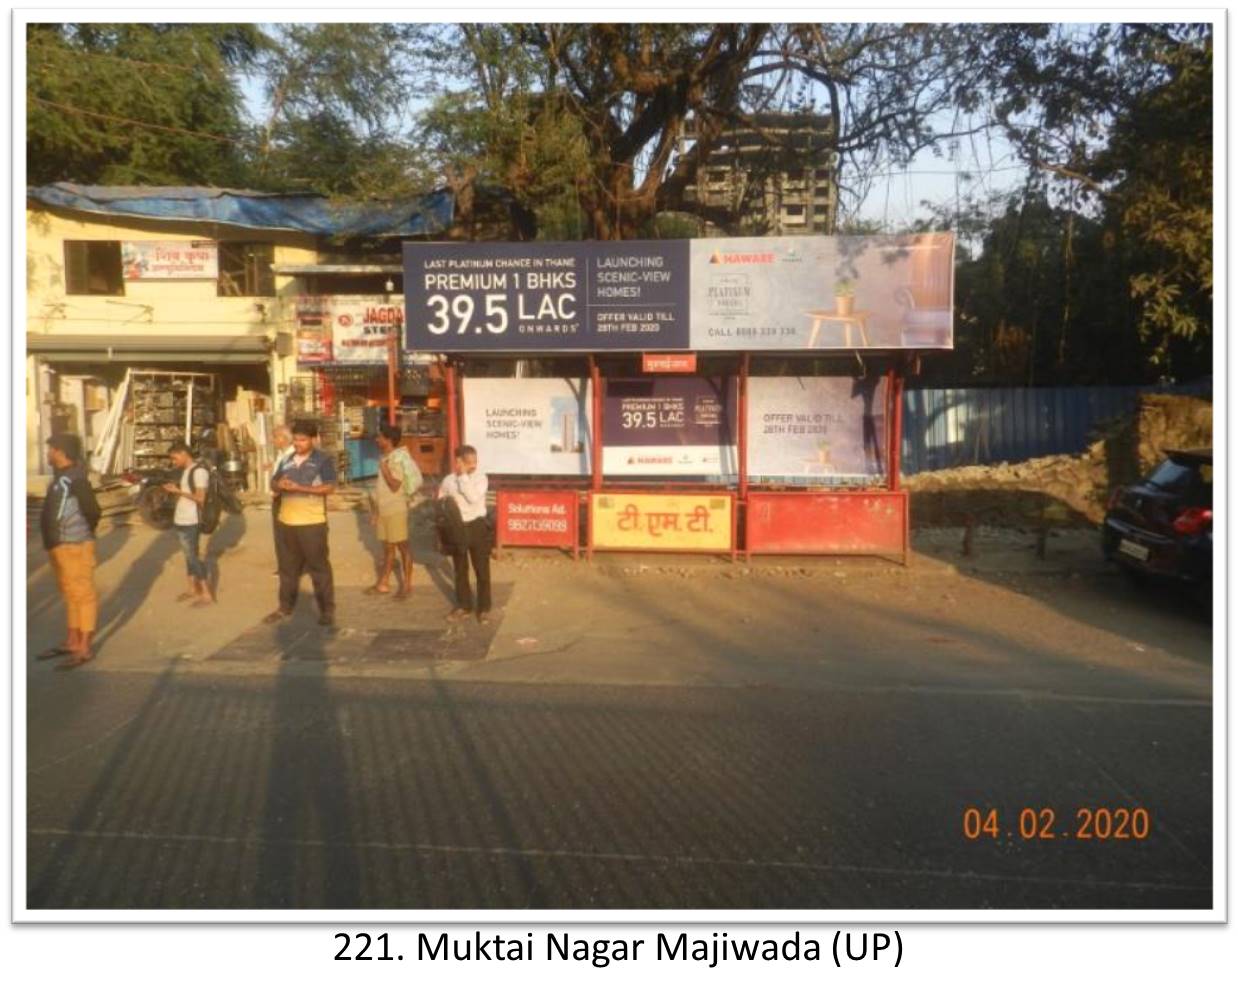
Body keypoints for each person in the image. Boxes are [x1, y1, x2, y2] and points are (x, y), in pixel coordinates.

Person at [265, 420, 337, 627]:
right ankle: (284, 607)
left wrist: (300, 488)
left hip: (312, 523)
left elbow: (329, 487)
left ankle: (327, 610)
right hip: (287, 522)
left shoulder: (322, 460)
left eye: (303, 440)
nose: (298, 443)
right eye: (295, 439)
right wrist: (279, 485)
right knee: (287, 569)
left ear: (313, 440)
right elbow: (274, 482)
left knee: (319, 568)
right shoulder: (287, 459)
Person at [38, 433, 101, 666]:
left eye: (50, 449)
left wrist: (82, 534)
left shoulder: (76, 479)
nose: (47, 453)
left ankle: (84, 647)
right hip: (58, 546)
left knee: (83, 594)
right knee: (69, 593)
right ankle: (72, 640)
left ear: (60, 452)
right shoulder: (60, 478)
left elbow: (93, 511)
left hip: (75, 545)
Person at [366, 423, 423, 599]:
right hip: (384, 510)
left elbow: (394, 485)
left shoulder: (396, 459)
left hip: (396, 509)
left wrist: (385, 470)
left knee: (403, 547)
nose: (377, 440)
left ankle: (407, 586)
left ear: (388, 440)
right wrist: (375, 513)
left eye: (380, 437)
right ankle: (384, 583)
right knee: (388, 548)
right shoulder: (387, 457)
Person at [437, 444, 491, 624]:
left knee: (481, 569)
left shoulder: (480, 478)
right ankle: (464, 605)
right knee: (460, 569)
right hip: (457, 528)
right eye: (469, 462)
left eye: (475, 461)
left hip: (477, 526)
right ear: (458, 461)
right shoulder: (448, 480)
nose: (473, 465)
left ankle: (483, 608)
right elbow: (441, 499)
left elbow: (473, 498)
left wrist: (463, 477)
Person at [164, 441, 214, 606]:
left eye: (174, 457)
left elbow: (200, 498)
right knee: (188, 556)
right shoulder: (187, 471)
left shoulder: (199, 472)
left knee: (192, 557)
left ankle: (206, 594)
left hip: (191, 520)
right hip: (181, 518)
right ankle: (192, 588)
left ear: (184, 453)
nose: (173, 461)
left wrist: (178, 491)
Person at [269, 424, 294, 576]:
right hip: (278, 496)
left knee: (285, 535)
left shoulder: (290, 456)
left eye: (275, 437)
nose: (272, 440)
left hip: (284, 498)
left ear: (284, 439)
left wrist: (278, 492)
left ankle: (288, 568)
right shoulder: (282, 454)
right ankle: (285, 566)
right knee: (281, 535)